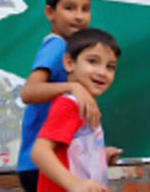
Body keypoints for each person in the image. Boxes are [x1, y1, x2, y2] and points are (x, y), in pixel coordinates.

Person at [17, 0, 100, 192]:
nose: (79, 16)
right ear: (50, 13)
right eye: (69, 8)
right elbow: (29, 92)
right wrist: (72, 87)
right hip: (41, 163)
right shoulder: (57, 46)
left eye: (85, 9)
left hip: (54, 160)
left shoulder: (68, 48)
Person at [32, 28, 122, 192]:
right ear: (69, 63)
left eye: (110, 67)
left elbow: (72, 151)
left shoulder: (85, 104)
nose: (102, 72)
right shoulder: (70, 105)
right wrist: (75, 185)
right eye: (93, 61)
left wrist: (99, 156)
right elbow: (40, 152)